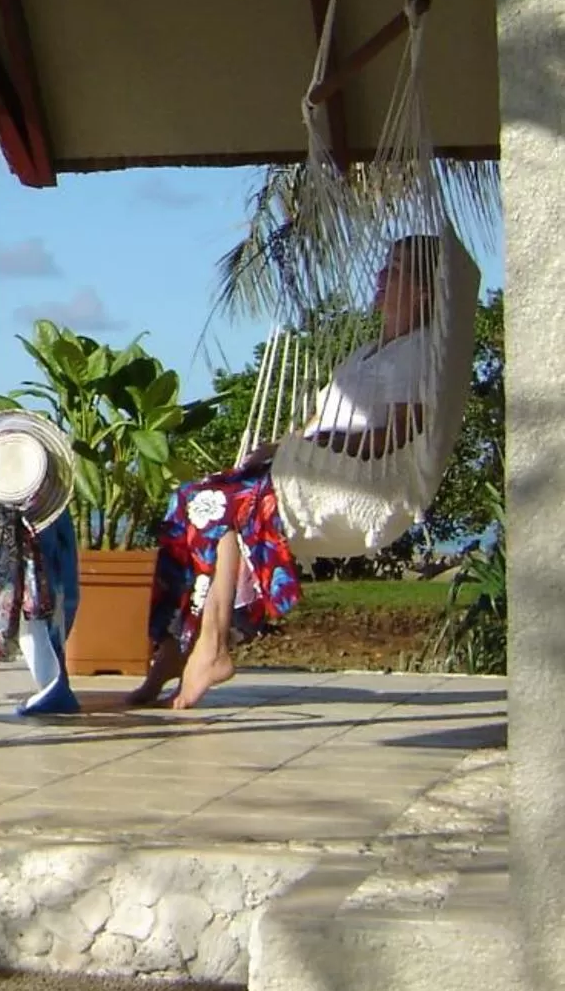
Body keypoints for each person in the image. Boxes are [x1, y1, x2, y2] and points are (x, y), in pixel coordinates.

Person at [128, 235, 437, 710]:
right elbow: (320, 421)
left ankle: (210, 647)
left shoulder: (416, 355)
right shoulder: (369, 352)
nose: (379, 279)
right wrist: (281, 447)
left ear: (421, 291)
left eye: (393, 271)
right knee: (185, 502)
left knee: (212, 508)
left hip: (350, 481)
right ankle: (175, 647)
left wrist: (312, 447)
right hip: (306, 468)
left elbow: (393, 435)